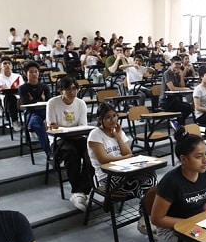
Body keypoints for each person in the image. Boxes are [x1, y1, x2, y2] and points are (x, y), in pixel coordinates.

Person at [87, 103, 156, 218]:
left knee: (151, 175)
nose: (113, 120)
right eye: (108, 117)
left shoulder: (118, 132)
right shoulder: (95, 134)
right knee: (144, 186)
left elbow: (128, 153)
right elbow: (104, 160)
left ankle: (146, 214)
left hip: (125, 172)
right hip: (107, 178)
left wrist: (118, 136)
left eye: (114, 116)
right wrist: (124, 158)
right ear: (99, 119)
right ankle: (146, 214)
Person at [46, 77, 92, 211]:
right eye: (68, 89)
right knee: (71, 153)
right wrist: (69, 130)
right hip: (58, 139)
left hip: (77, 137)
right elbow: (52, 128)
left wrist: (63, 127)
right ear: (61, 91)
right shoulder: (52, 103)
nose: (72, 92)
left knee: (92, 151)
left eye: (74, 89)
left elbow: (83, 127)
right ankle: (77, 192)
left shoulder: (81, 103)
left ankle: (83, 191)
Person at [19, 61, 51, 156]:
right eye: (31, 72)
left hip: (46, 112)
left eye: (36, 71)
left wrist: (33, 100)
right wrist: (41, 99)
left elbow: (49, 101)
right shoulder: (22, 88)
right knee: (39, 126)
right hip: (31, 114)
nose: (34, 74)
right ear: (26, 74)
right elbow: (26, 103)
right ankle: (50, 153)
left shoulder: (44, 86)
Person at [160, 56, 193, 125]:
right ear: (171, 64)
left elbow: (182, 86)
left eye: (179, 64)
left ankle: (179, 125)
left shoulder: (177, 73)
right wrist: (186, 89)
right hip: (166, 101)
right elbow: (172, 88)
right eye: (176, 64)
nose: (178, 66)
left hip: (175, 100)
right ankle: (179, 125)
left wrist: (181, 76)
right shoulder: (167, 73)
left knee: (190, 107)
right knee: (186, 108)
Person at [0, 56, 24, 132]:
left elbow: (22, 88)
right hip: (6, 100)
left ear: (12, 66)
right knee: (11, 97)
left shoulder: (18, 76)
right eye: (4, 63)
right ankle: (14, 120)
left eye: (9, 63)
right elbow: (1, 89)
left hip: (20, 99)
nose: (7, 65)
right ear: (1, 66)